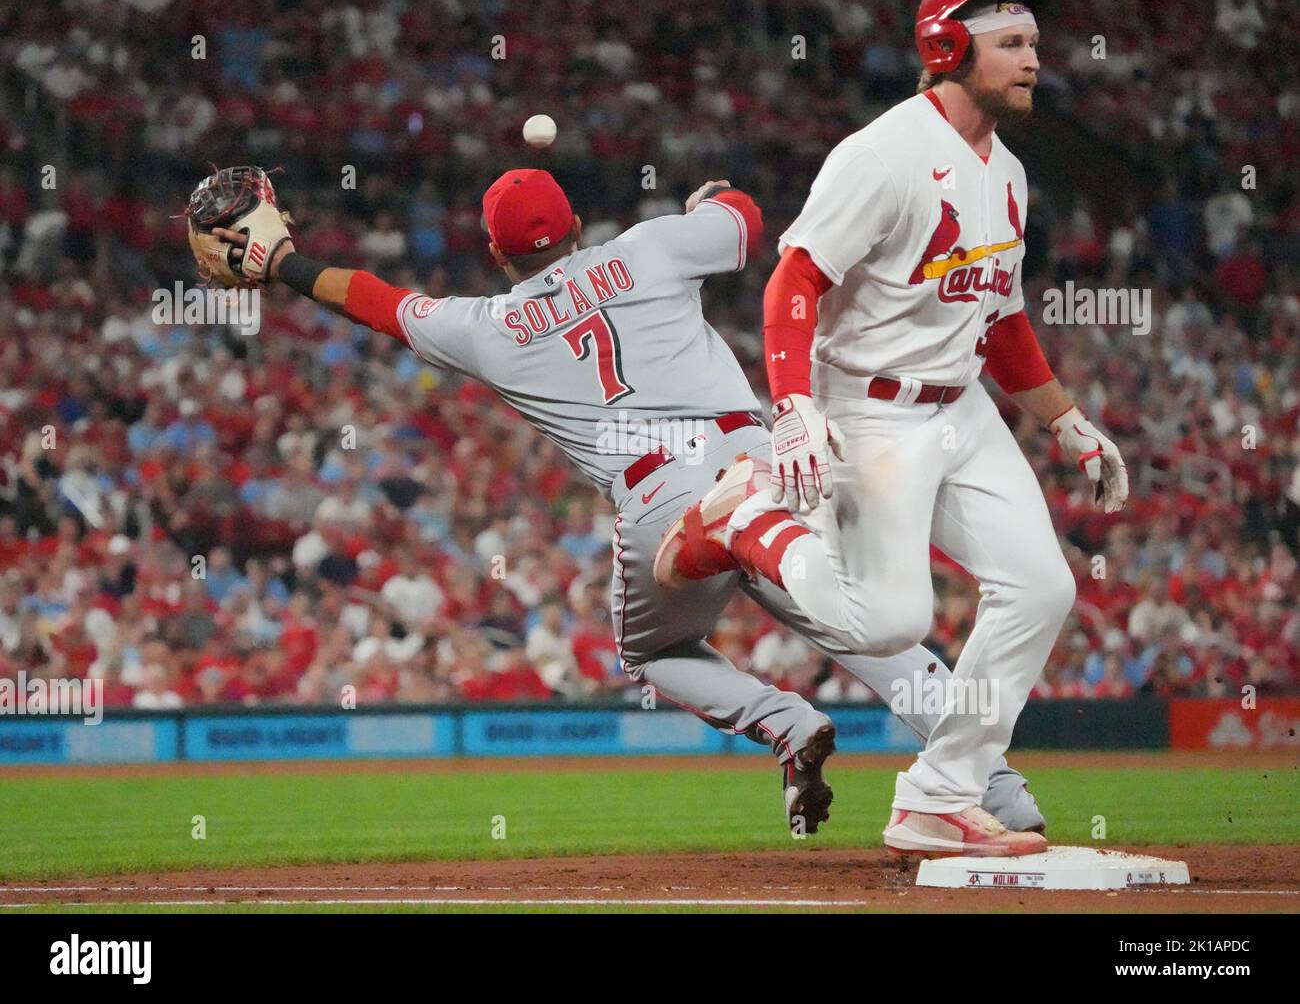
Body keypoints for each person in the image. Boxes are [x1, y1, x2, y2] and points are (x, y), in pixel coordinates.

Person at [206, 165, 1044, 836]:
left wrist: (283, 265)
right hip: (760, 460)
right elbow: (750, 221)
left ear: (501, 258)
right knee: (863, 619)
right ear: (575, 229)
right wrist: (712, 200)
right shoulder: (649, 248)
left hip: (662, 500)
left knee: (652, 653)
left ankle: (784, 721)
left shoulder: (487, 327)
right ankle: (996, 786)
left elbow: (380, 305)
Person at [656, 0, 1126, 856]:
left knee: (1043, 586)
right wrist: (793, 408)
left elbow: (1005, 318)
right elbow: (796, 279)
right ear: (948, 46)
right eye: (1013, 43)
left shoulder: (1012, 175)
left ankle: (940, 794)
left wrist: (1064, 418)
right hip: (870, 413)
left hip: (965, 407)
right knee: (890, 623)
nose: (1034, 60)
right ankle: (749, 518)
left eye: (1034, 44)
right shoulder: (883, 154)